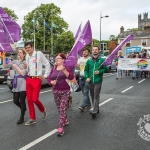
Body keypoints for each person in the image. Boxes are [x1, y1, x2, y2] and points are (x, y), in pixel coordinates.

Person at [47, 53, 74, 136]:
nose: (57, 59)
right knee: (59, 108)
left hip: (65, 91)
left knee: (62, 108)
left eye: (59, 58)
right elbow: (49, 78)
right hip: (55, 91)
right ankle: (65, 120)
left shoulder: (67, 67)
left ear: (63, 59)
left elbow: (71, 77)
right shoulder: (54, 67)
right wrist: (51, 82)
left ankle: (60, 128)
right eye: (56, 58)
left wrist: (63, 70)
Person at [25, 42, 50, 125]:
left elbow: (47, 64)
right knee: (29, 100)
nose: (28, 49)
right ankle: (32, 118)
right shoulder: (27, 56)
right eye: (26, 48)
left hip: (36, 79)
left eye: (29, 47)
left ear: (32, 47)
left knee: (34, 99)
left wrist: (45, 75)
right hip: (29, 79)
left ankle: (43, 110)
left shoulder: (38, 54)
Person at [3, 49, 27, 124]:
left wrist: (16, 67)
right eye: (18, 52)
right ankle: (23, 108)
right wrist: (4, 58)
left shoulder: (25, 63)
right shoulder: (14, 61)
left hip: (23, 82)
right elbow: (5, 66)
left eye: (20, 52)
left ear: (23, 54)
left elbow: (23, 73)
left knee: (22, 100)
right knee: (15, 100)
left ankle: (22, 117)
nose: (19, 54)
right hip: (16, 82)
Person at [84, 46, 107, 118]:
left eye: (96, 50)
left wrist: (99, 71)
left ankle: (94, 111)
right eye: (93, 50)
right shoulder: (89, 60)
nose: (94, 51)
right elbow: (85, 70)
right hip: (90, 81)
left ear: (98, 51)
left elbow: (105, 69)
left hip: (98, 81)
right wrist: (87, 77)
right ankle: (96, 108)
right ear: (92, 51)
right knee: (92, 95)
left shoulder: (102, 60)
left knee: (96, 95)